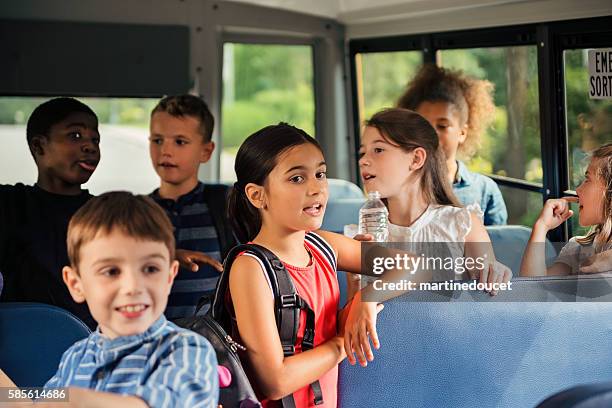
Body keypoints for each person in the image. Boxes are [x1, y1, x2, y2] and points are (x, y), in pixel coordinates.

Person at [0, 192, 219, 407]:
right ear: (77, 284)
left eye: (150, 269)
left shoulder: (187, 350)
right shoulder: (75, 357)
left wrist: (78, 400)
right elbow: (37, 403)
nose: (133, 286)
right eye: (111, 271)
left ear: (169, 276)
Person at [225, 123, 384, 407]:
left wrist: (368, 296)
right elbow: (275, 381)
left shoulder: (324, 246)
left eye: (320, 174)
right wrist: (342, 342)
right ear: (256, 195)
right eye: (297, 178)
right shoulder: (250, 268)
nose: (316, 189)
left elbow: (412, 264)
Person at [357, 108, 511, 286]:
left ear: (416, 159)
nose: (363, 160)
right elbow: (355, 310)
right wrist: (355, 279)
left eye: (378, 149)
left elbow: (486, 297)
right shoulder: (365, 232)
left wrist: (495, 274)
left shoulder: (463, 226)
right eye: (362, 152)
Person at [0, 97, 100, 328]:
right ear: (39, 146)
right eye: (76, 136)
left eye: (95, 139)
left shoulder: (104, 212)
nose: (90, 146)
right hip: (21, 343)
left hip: (91, 344)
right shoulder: (10, 204)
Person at [148, 95, 236, 319]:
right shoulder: (138, 212)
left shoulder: (226, 203)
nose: (166, 151)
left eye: (180, 142)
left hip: (213, 340)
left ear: (206, 152)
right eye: (157, 140)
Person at [397, 64, 507, 225]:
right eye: (424, 125)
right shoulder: (397, 186)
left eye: (442, 126)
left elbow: (498, 245)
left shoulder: (485, 191)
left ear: (462, 133)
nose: (431, 134)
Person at [520, 143, 612, 276]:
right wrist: (541, 226)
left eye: (587, 180)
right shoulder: (578, 249)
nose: (578, 190)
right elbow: (532, 289)